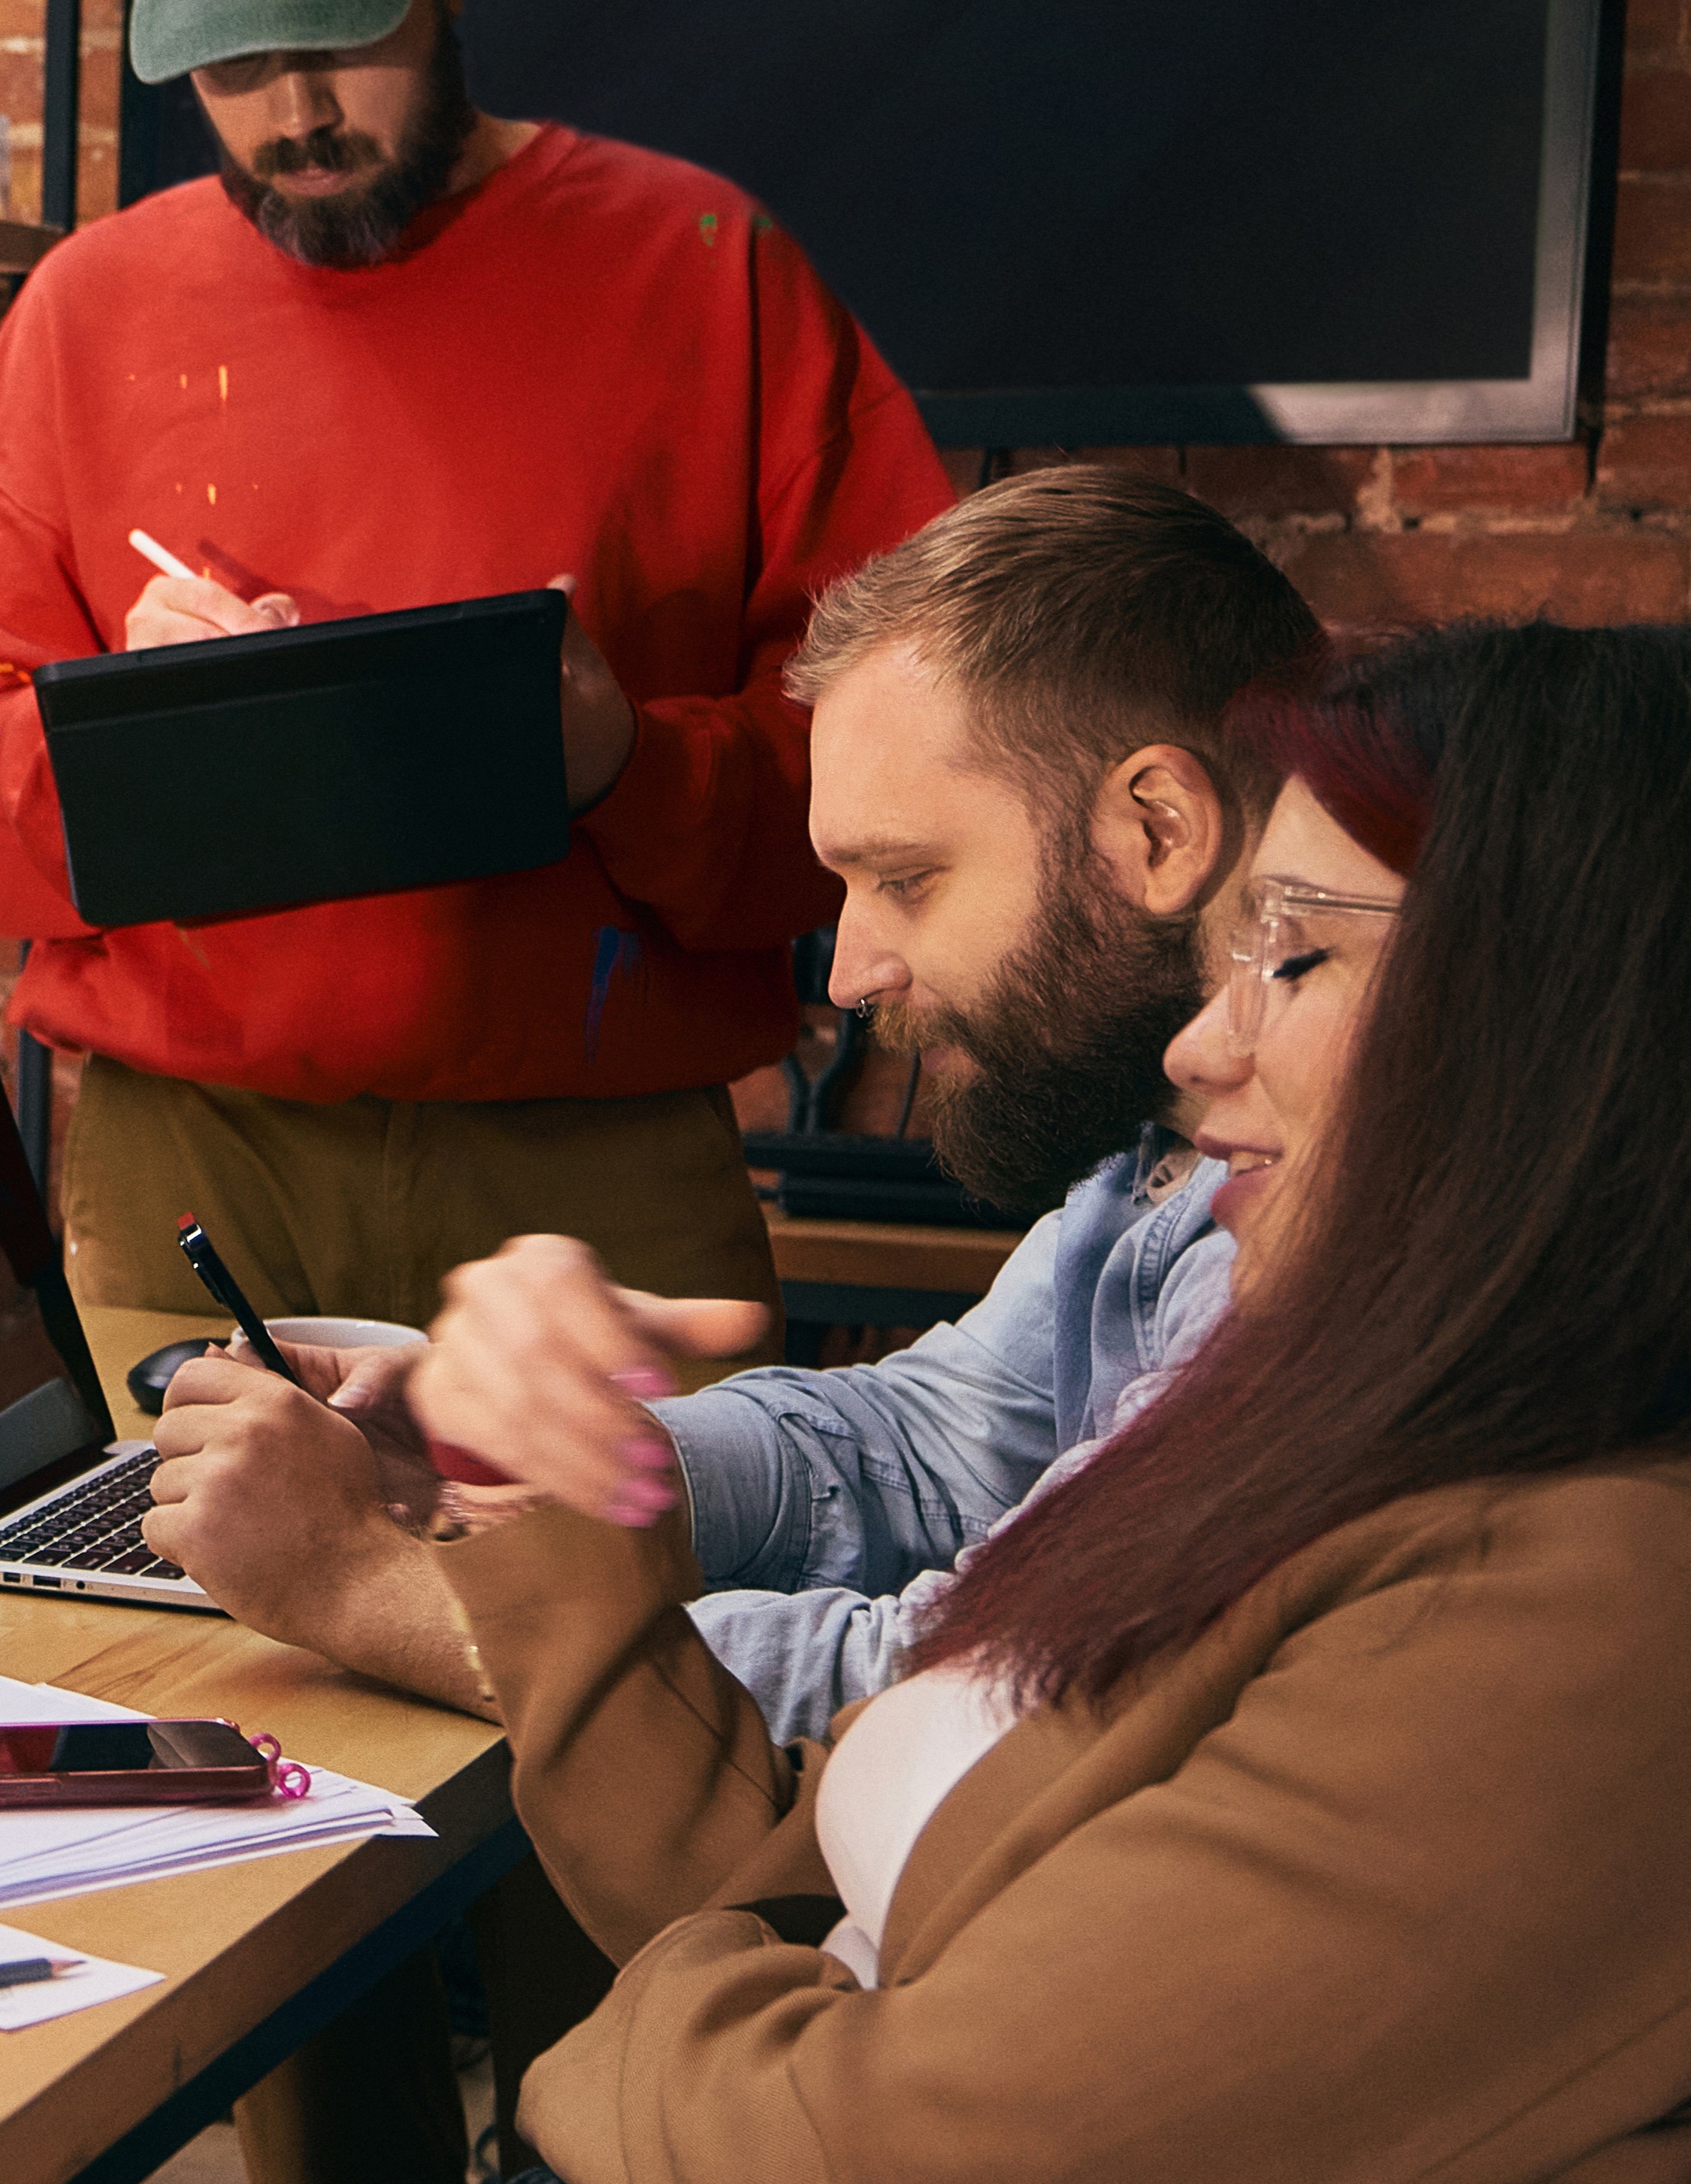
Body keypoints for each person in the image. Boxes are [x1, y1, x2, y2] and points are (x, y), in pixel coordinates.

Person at [325, 619, 1691, 2184]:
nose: (1200, 1045)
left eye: (1291, 955)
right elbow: (853, 1827)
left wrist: (616, 2055)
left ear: (1566, 1017)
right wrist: (572, 1492)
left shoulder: (1579, 1608)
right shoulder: (1337, 1396)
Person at [0, 0, 951, 1346]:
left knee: (659, 1595)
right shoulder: (82, 314)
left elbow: (918, 753)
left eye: (341, 44)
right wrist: (114, 747)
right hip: (188, 1164)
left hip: (598, 1160)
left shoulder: (706, 270)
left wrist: (623, 762)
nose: (296, 118)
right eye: (236, 71)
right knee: (118, 1603)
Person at [146, 469, 1320, 1739]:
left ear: (1155, 828)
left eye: (907, 879)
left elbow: (965, 1702)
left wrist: (381, 1585)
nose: (855, 970)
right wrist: (517, 1470)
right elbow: (930, 1443)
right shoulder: (1155, 1139)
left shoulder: (1315, 1218)